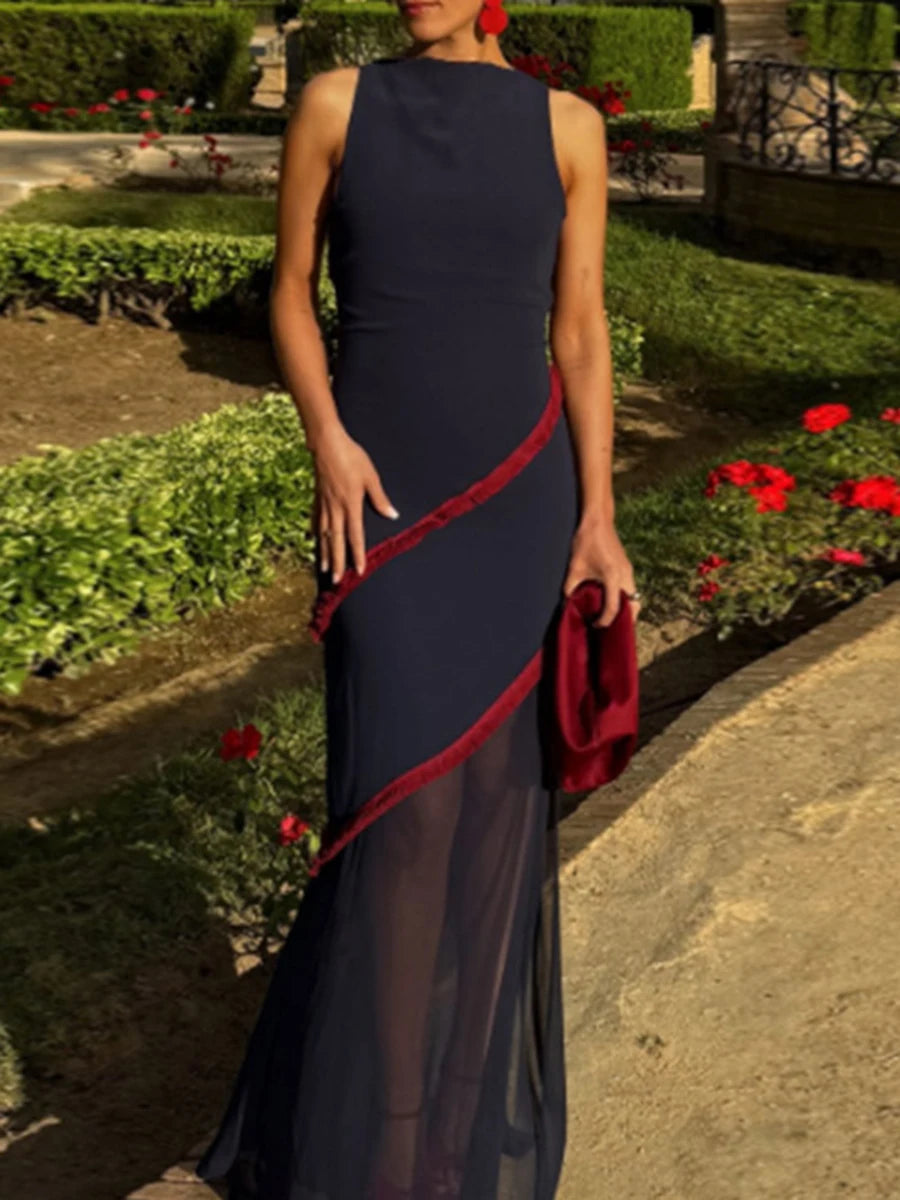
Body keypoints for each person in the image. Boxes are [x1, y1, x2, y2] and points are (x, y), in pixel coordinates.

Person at [194, 0, 640, 1195]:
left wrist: (597, 517)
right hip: (381, 507)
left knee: (500, 817)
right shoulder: (338, 101)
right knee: (406, 825)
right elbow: (290, 290)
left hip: (521, 499)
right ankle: (385, 1146)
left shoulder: (568, 128)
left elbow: (581, 327)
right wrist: (326, 442)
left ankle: (455, 1130)